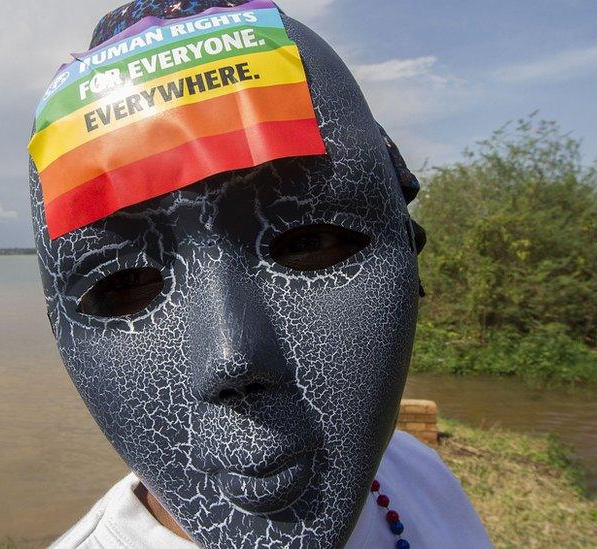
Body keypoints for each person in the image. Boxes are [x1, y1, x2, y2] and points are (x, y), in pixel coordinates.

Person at [28, 1, 492, 547]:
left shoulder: (419, 475)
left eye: (308, 242)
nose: (232, 357)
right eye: (125, 283)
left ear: (409, 247)